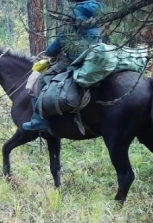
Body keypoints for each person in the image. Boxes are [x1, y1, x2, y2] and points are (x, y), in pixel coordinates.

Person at [22, 0, 104, 131]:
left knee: (43, 78)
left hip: (75, 57)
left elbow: (64, 37)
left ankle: (39, 119)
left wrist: (49, 52)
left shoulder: (75, 11)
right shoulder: (100, 9)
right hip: (96, 54)